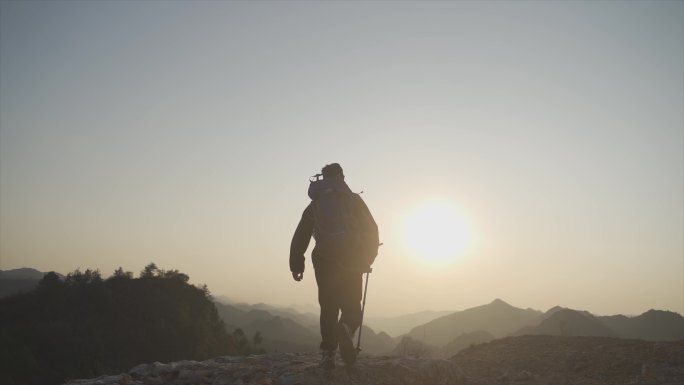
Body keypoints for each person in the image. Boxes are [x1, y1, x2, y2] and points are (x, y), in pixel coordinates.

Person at [290, 163, 379, 370]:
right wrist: (368, 258)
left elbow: (301, 235)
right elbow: (372, 229)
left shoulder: (315, 205)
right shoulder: (353, 200)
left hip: (323, 260)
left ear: (323, 177)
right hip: (352, 259)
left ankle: (328, 353)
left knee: (328, 305)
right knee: (352, 304)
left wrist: (296, 264)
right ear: (342, 176)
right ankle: (346, 327)